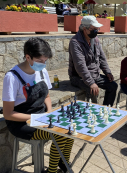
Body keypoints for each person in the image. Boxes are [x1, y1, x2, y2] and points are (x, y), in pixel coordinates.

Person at [2, 38, 74, 173]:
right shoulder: (12, 77)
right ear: (28, 57)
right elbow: (8, 114)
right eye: (40, 61)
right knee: (59, 134)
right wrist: (34, 118)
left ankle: (63, 161)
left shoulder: (42, 71)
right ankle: (52, 171)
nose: (43, 64)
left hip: (41, 116)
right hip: (20, 123)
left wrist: (50, 112)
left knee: (70, 128)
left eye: (45, 61)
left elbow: (47, 96)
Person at [68, 16, 118, 107]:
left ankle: (106, 110)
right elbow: (80, 66)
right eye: (93, 29)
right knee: (93, 90)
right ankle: (93, 113)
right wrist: (91, 83)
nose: (96, 31)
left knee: (113, 85)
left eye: (97, 29)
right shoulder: (75, 42)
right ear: (85, 29)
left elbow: (102, 58)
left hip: (95, 74)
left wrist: (108, 72)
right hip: (78, 77)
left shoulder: (95, 39)